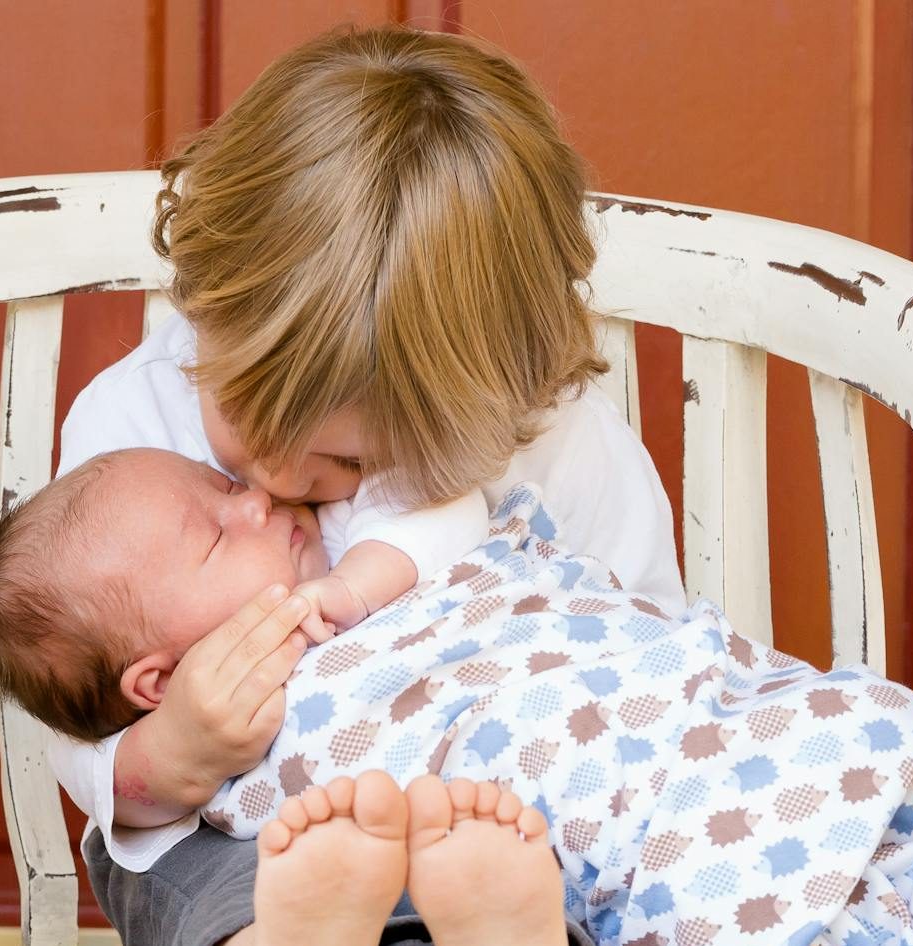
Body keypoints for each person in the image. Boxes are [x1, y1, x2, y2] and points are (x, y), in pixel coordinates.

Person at [49, 23, 683, 946]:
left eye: (349, 465)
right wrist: (174, 750)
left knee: (562, 859)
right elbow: (80, 706)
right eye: (246, 422)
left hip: (498, 811)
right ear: (202, 300)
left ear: (494, 401)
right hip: (257, 827)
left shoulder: (561, 449)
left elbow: (644, 661)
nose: (273, 483)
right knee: (178, 864)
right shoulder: (130, 426)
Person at [0, 453, 913, 946]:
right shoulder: (244, 710)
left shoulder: (360, 530)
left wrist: (355, 583)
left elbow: (457, 517)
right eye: (216, 530)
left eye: (223, 482)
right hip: (572, 812)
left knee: (903, 883)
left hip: (697, 724)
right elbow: (133, 816)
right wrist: (175, 747)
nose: (258, 499)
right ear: (155, 676)